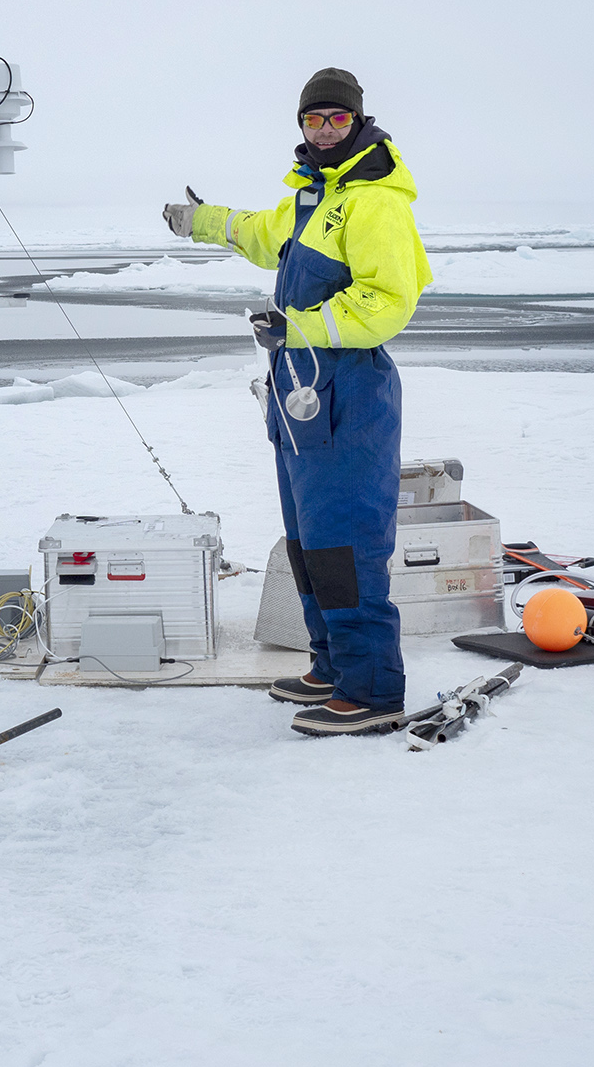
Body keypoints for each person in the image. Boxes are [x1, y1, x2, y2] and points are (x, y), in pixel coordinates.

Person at [163, 68, 432, 735]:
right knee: (308, 539)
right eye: (313, 120)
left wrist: (298, 328)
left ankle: (371, 690)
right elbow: (261, 232)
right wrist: (202, 221)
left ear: (358, 123)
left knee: (344, 543)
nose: (323, 130)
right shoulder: (311, 196)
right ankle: (332, 665)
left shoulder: (374, 201)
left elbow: (387, 302)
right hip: (299, 390)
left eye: (336, 119)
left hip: (349, 389)